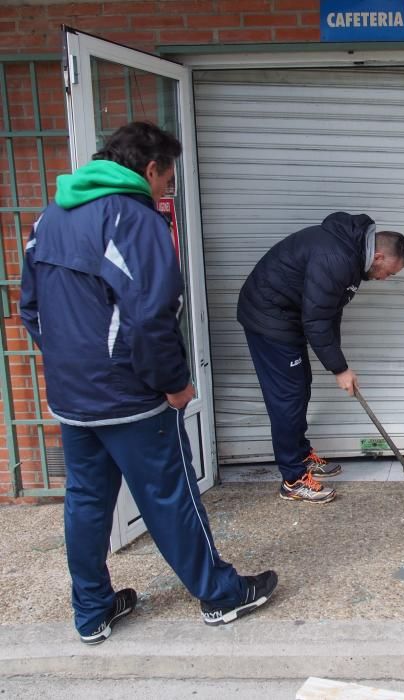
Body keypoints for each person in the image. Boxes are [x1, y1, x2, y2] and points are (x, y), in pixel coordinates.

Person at [19, 121, 277, 645]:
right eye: (167, 177)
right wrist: (174, 382)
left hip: (72, 397)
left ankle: (91, 611)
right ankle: (221, 596)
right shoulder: (135, 220)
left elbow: (30, 307)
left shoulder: (49, 219)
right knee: (170, 495)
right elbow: (152, 315)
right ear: (150, 168)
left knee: (87, 501)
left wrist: (73, 364)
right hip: (131, 396)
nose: (167, 188)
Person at [237, 212, 404, 503]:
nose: (384, 279)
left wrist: (338, 362)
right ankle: (292, 480)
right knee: (288, 397)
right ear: (378, 256)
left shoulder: (351, 256)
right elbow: (316, 320)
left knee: (300, 385)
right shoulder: (337, 258)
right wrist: (339, 369)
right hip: (268, 318)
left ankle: (301, 455)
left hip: (287, 318)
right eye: (389, 273)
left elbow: (330, 313)